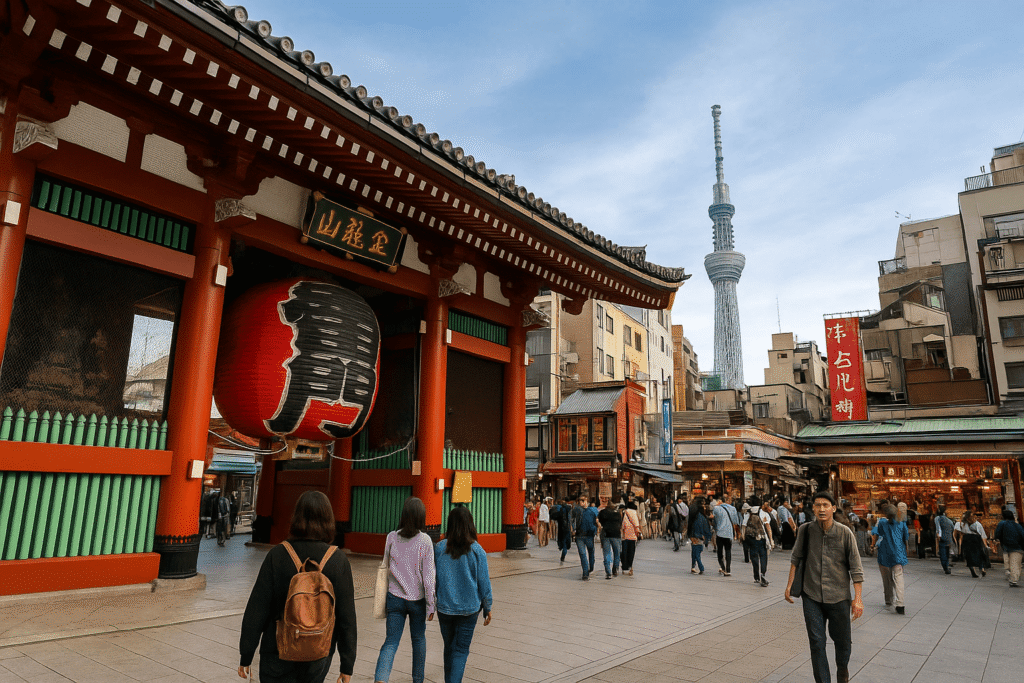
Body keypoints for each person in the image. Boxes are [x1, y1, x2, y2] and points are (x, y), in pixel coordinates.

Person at [238, 491, 356, 683]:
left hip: (277, 649)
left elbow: (257, 608)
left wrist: (246, 654)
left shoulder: (277, 555)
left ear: (296, 517)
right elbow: (347, 617)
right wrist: (347, 664)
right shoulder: (338, 561)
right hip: (319, 651)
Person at [785, 491, 864, 683]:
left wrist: (858, 599)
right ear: (813, 508)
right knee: (817, 642)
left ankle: (842, 671)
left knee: (843, 643)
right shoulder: (805, 530)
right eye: (818, 505)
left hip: (839, 597)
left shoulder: (845, 532)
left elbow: (856, 568)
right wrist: (789, 587)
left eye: (825, 505)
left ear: (833, 509)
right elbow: (795, 559)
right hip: (811, 595)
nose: (821, 509)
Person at [374, 497, 436, 683]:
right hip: (416, 600)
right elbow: (429, 577)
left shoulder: (391, 537)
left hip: (394, 598)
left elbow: (385, 565)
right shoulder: (425, 540)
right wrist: (431, 605)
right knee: (418, 640)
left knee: (391, 642)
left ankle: (380, 679)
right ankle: (418, 680)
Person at [435, 506, 492, 683]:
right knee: (460, 650)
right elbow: (484, 582)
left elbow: (433, 578)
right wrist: (488, 606)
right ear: (470, 525)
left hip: (445, 608)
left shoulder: (439, 548)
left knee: (449, 648)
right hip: (469, 610)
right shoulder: (477, 550)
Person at [869, 504, 909, 614]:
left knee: (886, 579)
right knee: (899, 578)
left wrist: (872, 546)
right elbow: (906, 538)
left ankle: (888, 600)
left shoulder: (881, 522)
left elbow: (875, 533)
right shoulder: (902, 523)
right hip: (898, 554)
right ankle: (900, 603)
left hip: (884, 554)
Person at [743, 497, 774, 587]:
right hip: (762, 538)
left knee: (754, 557)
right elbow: (768, 527)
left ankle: (756, 577)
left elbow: (744, 525)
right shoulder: (764, 513)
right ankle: (763, 574)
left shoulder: (748, 513)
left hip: (752, 538)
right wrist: (771, 540)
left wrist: (743, 536)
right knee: (763, 556)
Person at [954, 510, 990, 578]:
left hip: (967, 539)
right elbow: (982, 534)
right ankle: (981, 569)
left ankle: (973, 570)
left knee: (969, 556)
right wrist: (985, 544)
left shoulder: (962, 524)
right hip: (976, 539)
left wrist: (960, 546)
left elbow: (960, 534)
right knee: (979, 555)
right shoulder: (977, 524)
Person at [571, 493, 599, 580]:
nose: (581, 503)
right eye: (580, 501)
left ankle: (591, 567)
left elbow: (596, 521)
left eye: (583, 501)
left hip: (589, 536)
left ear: (587, 501)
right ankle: (585, 573)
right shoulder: (576, 510)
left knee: (591, 552)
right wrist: (573, 530)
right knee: (582, 553)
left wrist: (596, 530)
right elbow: (571, 520)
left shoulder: (592, 511)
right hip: (579, 535)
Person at [993, 509, 1024, 587]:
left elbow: (997, 533)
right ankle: (1014, 579)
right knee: (1016, 563)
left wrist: (996, 539)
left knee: (1009, 561)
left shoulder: (1002, 523)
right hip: (1018, 547)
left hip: (1006, 546)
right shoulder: (1018, 525)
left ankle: (1010, 574)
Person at [711, 495, 740, 577]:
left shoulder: (716, 508)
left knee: (719, 551)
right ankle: (728, 569)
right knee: (728, 550)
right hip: (729, 533)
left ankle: (722, 567)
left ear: (720, 501)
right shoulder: (733, 508)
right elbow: (735, 521)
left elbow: (714, 518)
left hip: (720, 532)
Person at [598, 498, 622, 579]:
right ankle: (615, 569)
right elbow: (620, 523)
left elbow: (600, 521)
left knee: (607, 553)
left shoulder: (603, 512)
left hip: (606, 534)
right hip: (616, 535)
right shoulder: (618, 513)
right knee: (617, 553)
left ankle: (608, 573)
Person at [688, 497, 713, 574]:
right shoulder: (701, 516)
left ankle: (693, 566)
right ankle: (701, 567)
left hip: (692, 534)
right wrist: (707, 536)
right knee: (697, 551)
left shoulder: (693, 513)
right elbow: (705, 528)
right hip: (698, 535)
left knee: (694, 550)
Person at [620, 502, 642, 576]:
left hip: (624, 535)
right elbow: (636, 524)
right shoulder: (633, 512)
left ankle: (624, 566)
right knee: (631, 552)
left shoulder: (624, 512)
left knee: (624, 551)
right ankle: (629, 566)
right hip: (632, 535)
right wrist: (638, 532)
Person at [934, 505, 955, 574]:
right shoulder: (949, 521)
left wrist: (938, 536)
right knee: (947, 552)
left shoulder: (938, 518)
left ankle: (945, 567)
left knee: (943, 553)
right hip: (948, 538)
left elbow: (938, 528)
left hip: (942, 538)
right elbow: (953, 528)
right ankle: (947, 565)